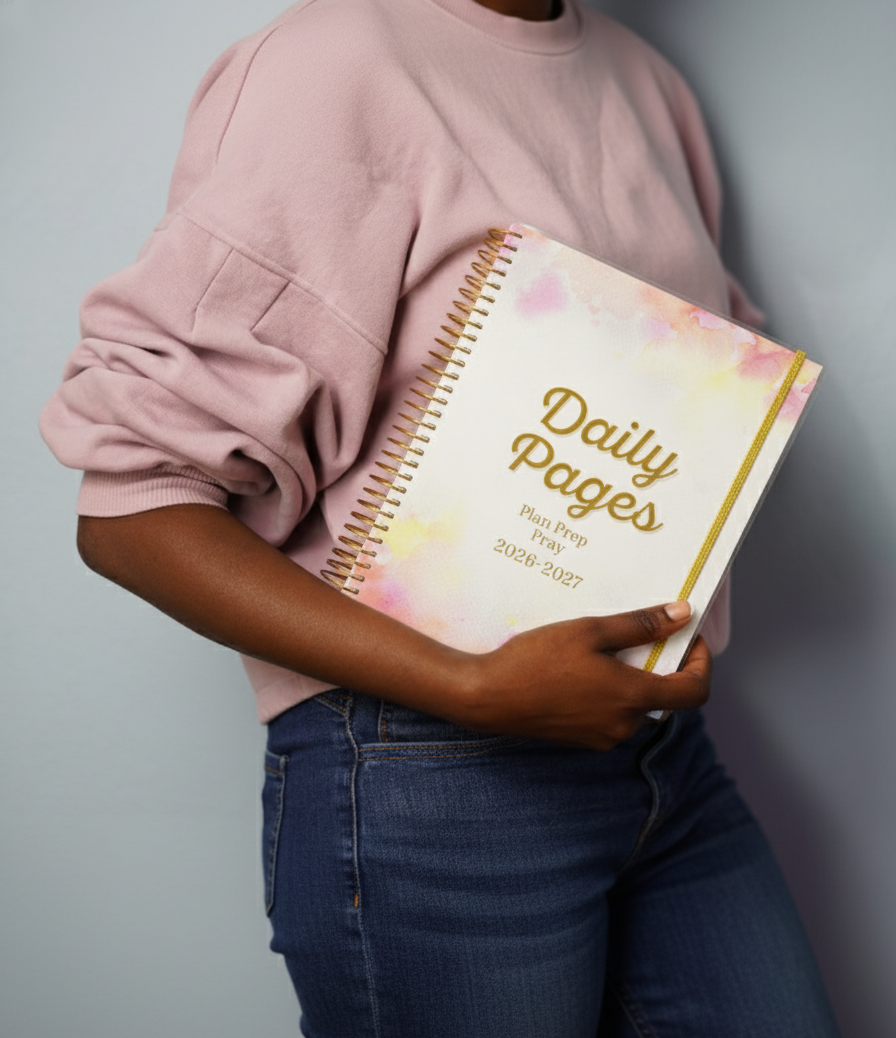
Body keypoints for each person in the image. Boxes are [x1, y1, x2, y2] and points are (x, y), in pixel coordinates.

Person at [40, 0, 840, 1034]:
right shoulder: (331, 68)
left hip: (657, 757)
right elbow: (130, 511)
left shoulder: (645, 82)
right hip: (426, 771)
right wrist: (466, 683)